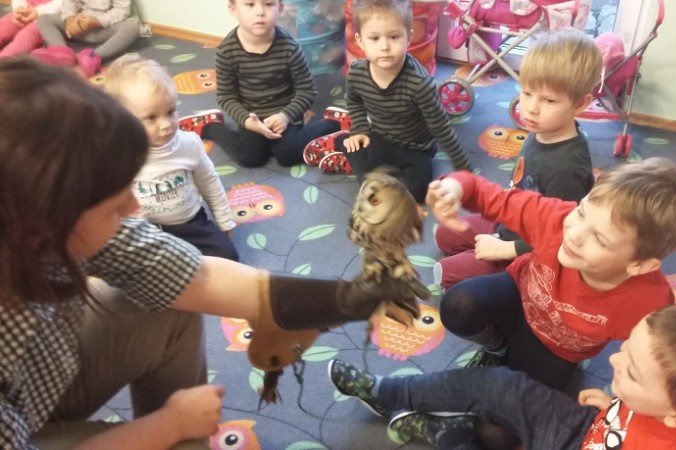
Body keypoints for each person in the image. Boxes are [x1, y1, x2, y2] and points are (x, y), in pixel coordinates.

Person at [0, 58, 425, 448]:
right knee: (178, 431)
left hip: (36, 379)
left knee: (165, 301)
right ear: (41, 227)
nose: (133, 206)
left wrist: (344, 299)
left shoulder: (38, 219)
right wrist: (167, 426)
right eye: (114, 204)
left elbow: (186, 274)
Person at [426, 158, 676, 391]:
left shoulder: (649, 301)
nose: (573, 234)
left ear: (640, 265)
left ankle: (511, 358)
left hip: (556, 350)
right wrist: (451, 188)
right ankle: (498, 348)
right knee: (457, 305)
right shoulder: (558, 219)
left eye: (600, 239)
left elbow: (662, 363)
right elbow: (485, 193)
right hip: (518, 294)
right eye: (582, 212)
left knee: (496, 432)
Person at [328, 303, 676, 449]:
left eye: (632, 372)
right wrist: (616, 405)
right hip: (584, 427)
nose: (614, 362)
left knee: (495, 431)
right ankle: (389, 391)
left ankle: (454, 435)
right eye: (626, 349)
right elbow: (645, 411)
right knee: (501, 384)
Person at [433, 29, 601, 290]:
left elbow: (562, 236)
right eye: (526, 92)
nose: (531, 108)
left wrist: (507, 248)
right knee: (445, 235)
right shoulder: (543, 128)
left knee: (444, 274)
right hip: (513, 220)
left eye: (549, 100)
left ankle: (513, 278)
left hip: (529, 249)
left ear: (580, 104)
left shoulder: (567, 169)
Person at [328, 0, 474, 203]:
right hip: (381, 136)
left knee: (417, 191)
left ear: (409, 37)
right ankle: (344, 141)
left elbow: (441, 127)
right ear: (360, 41)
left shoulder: (419, 83)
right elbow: (354, 101)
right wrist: (359, 130)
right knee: (366, 179)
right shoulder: (357, 73)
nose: (385, 47)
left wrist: (463, 167)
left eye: (394, 36)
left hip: (417, 147)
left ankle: (361, 155)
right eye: (374, 38)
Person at [103, 53, 239, 261]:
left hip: (191, 224)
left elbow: (209, 182)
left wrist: (224, 220)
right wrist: (125, 215)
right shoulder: (122, 154)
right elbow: (111, 193)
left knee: (227, 256)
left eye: (170, 111)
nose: (166, 124)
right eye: (151, 117)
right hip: (147, 229)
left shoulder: (189, 144)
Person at [183, 0, 340, 168]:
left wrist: (285, 116)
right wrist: (246, 121)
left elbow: (307, 90)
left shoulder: (289, 47)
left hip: (285, 112)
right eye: (250, 4)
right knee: (250, 158)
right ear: (233, 9)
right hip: (251, 115)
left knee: (287, 155)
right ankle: (210, 127)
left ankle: (334, 122)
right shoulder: (227, 51)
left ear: (280, 8)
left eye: (268, 4)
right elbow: (226, 97)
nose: (260, 12)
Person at [35, 0, 140, 76]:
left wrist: (98, 21)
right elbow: (71, 2)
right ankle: (63, 52)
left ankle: (92, 57)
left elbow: (121, 11)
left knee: (133, 27)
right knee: (44, 19)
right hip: (79, 27)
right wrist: (70, 19)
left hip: (105, 28)